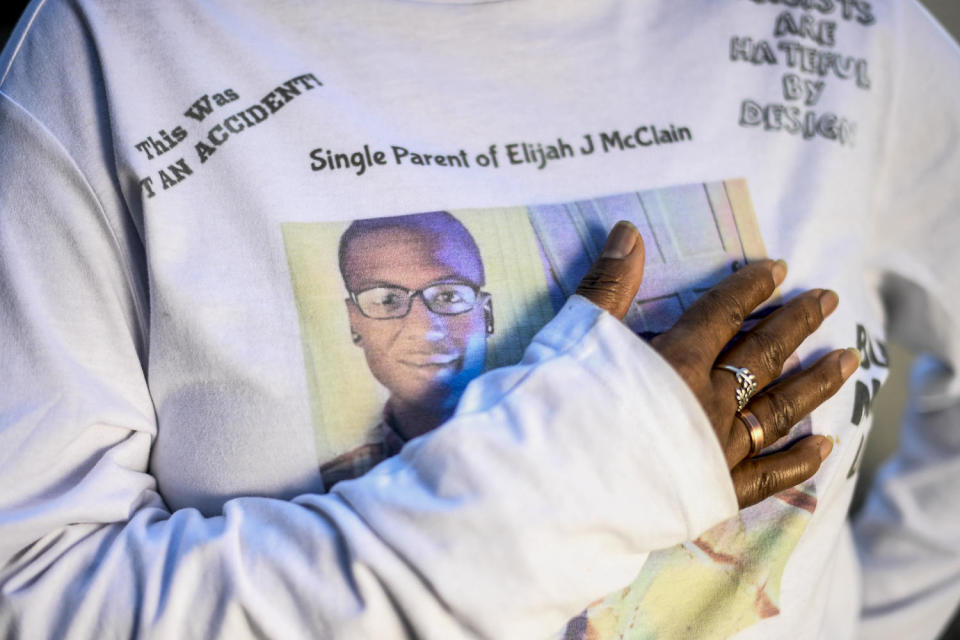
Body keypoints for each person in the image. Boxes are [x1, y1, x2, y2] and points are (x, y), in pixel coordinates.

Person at [0, 1, 958, 639]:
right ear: (354, 328)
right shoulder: (116, 43)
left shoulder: (857, 34)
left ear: (487, 304)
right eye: (385, 299)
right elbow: (31, 596)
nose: (424, 322)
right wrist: (572, 480)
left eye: (450, 294)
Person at [320, 212, 495, 487]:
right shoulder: (333, 486)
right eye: (387, 299)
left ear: (487, 315)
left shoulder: (561, 437)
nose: (425, 329)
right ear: (354, 322)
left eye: (448, 295)